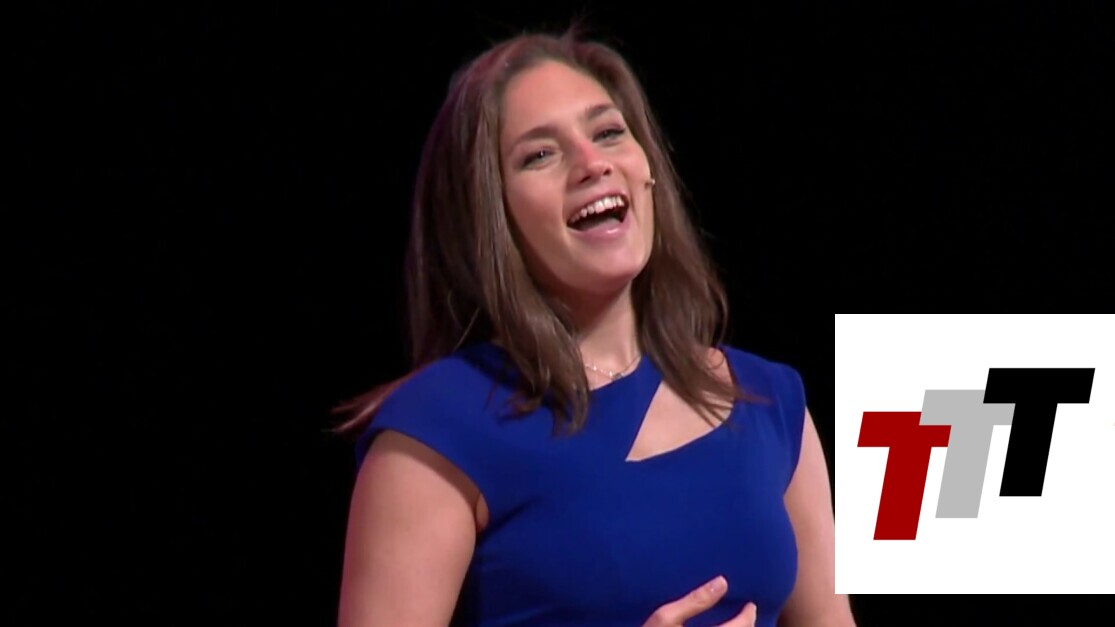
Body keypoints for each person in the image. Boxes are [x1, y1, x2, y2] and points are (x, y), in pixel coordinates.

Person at [333, 25, 856, 627]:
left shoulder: (770, 402)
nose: (592, 164)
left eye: (608, 133)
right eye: (539, 155)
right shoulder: (439, 426)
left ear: (647, 171)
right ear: (491, 214)